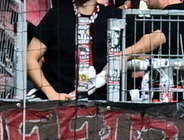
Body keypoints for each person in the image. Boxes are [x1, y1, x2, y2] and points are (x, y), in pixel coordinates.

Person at [27, 0, 165, 100]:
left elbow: (159, 36)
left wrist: (124, 54)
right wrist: (51, 94)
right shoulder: (57, 15)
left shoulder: (115, 15)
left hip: (105, 104)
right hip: (61, 104)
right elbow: (30, 59)